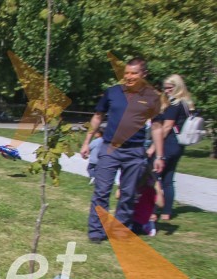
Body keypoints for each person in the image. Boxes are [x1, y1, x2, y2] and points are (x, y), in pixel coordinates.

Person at [80, 57, 165, 243]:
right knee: (101, 192)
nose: (129, 76)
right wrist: (87, 142)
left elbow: (157, 127)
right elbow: (97, 117)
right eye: (126, 73)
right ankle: (96, 231)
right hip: (110, 149)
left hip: (134, 152)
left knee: (128, 194)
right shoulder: (112, 92)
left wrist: (159, 155)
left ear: (144, 74)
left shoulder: (152, 97)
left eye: (134, 73)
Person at [149, 74, 195, 221]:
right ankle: (166, 212)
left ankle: (153, 210)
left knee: (153, 177)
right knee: (168, 179)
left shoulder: (174, 104)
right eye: (165, 88)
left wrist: (153, 147)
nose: (167, 91)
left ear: (178, 87)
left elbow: (167, 127)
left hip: (168, 144)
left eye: (170, 88)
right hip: (179, 145)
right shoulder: (187, 104)